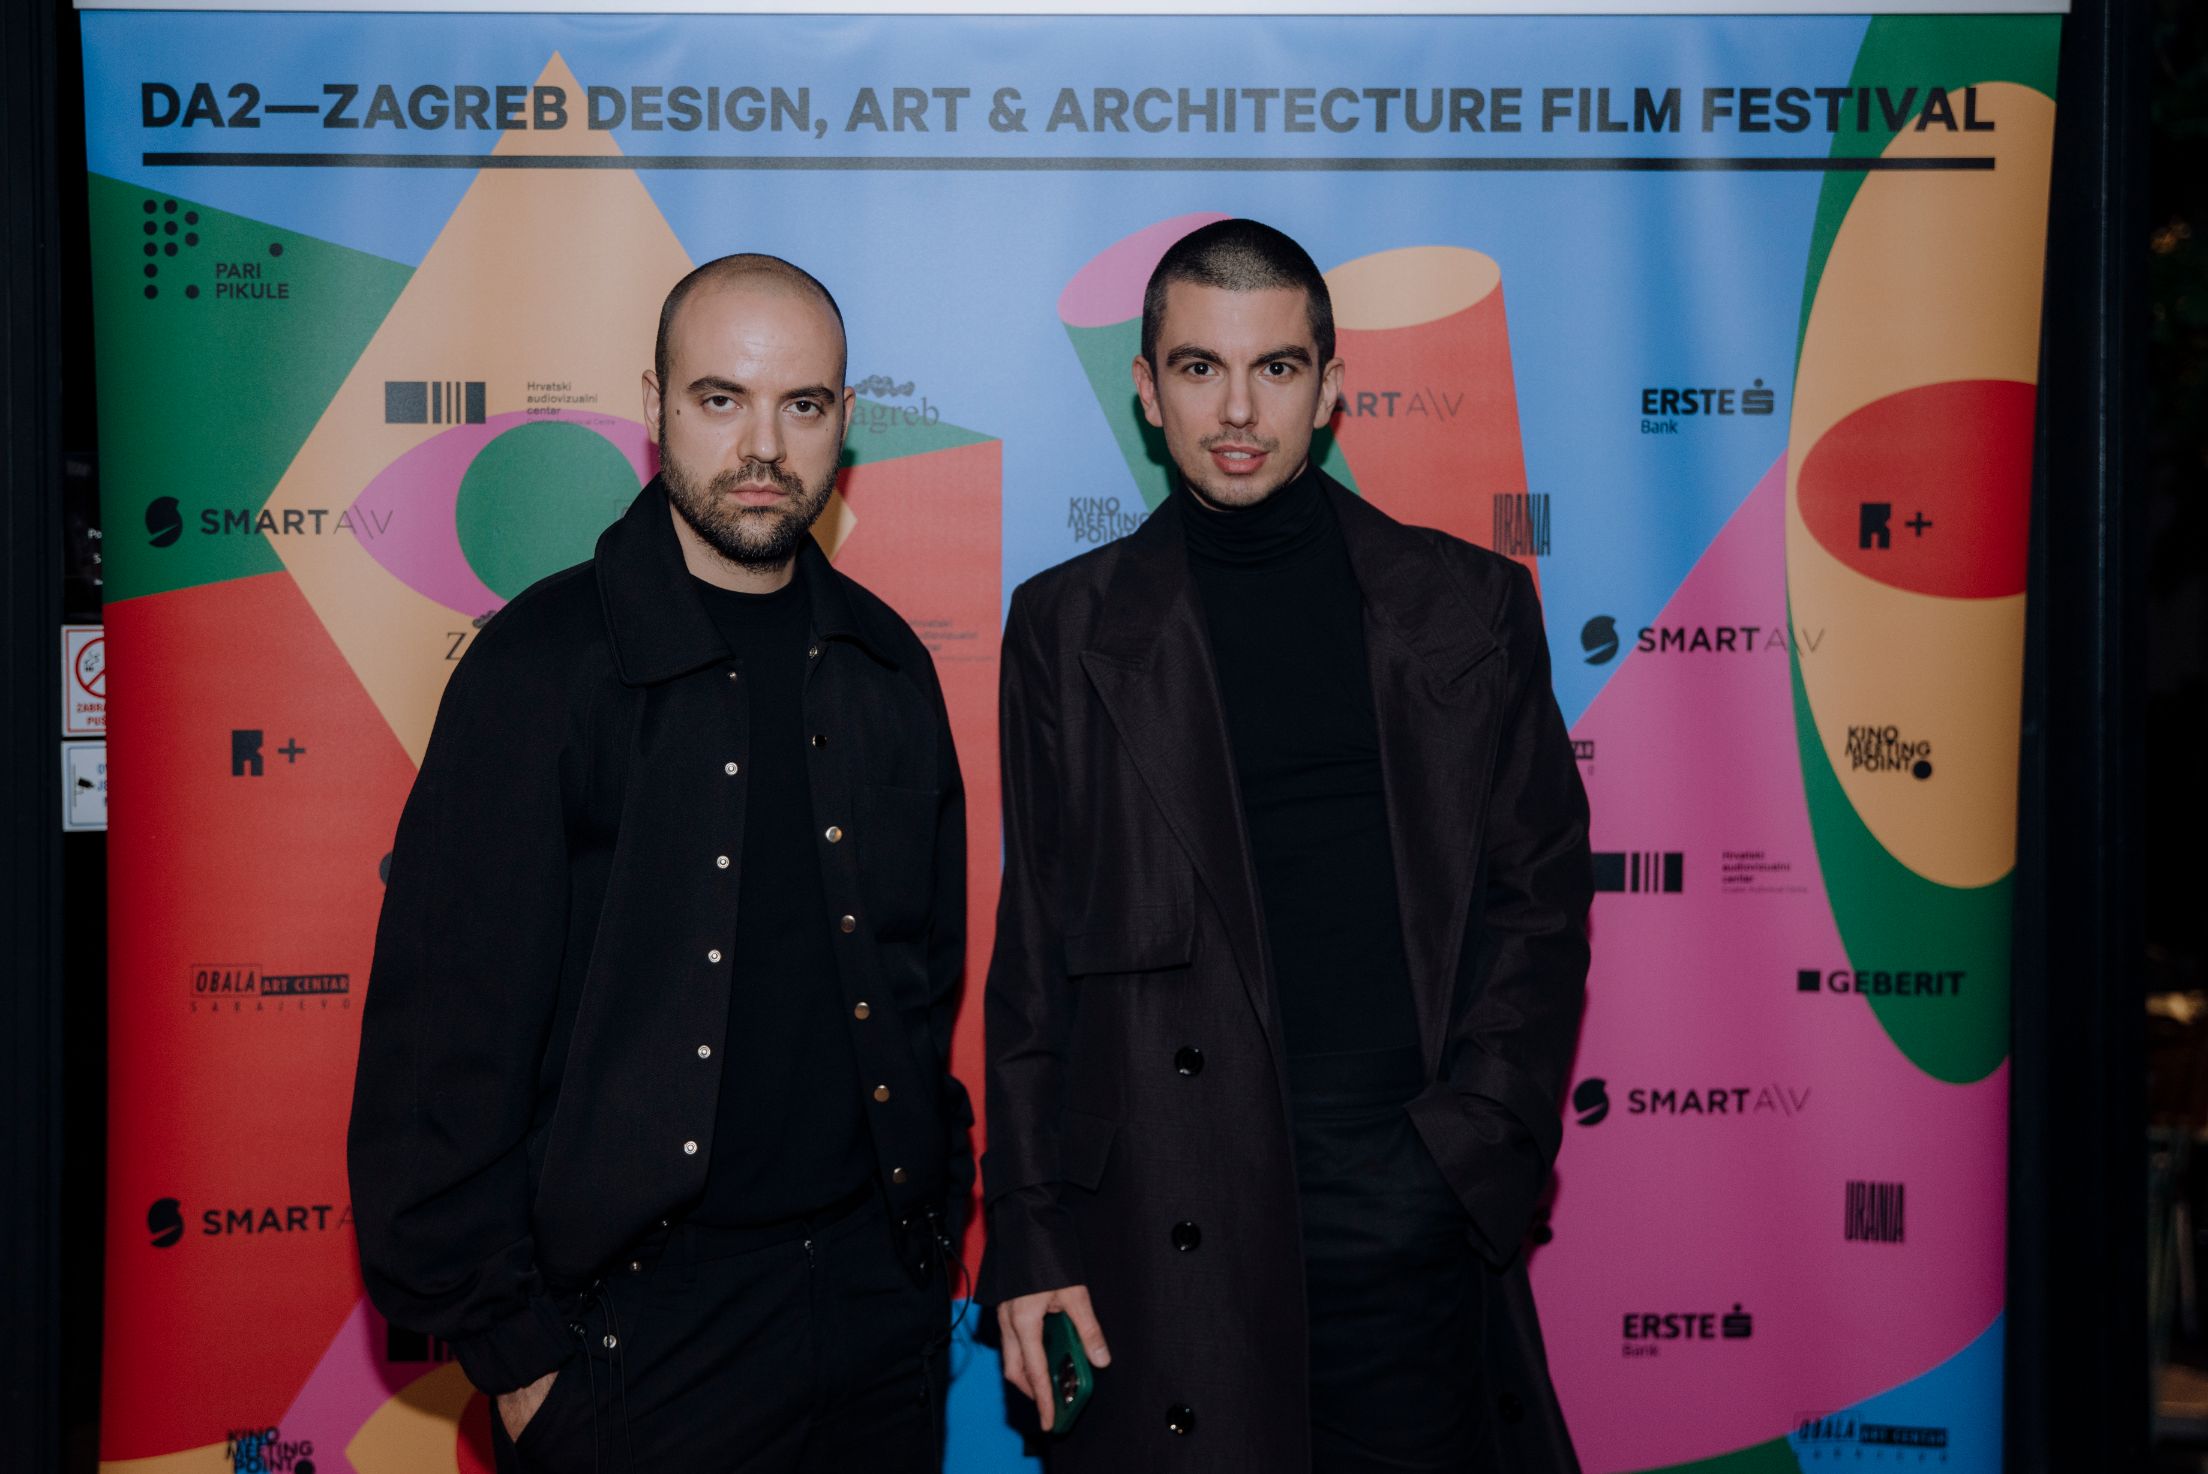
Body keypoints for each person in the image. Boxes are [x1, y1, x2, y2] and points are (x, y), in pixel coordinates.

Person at [981, 218, 1591, 1473]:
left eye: (1276, 367)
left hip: (1399, 1196)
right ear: (1146, 388)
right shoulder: (1063, 627)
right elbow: (1033, 957)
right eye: (1199, 367)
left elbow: (1539, 906)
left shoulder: (1469, 608)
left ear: (1330, 384)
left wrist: (1460, 1154)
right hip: (1159, 1207)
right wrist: (1032, 1234)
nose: (1237, 410)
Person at [349, 254, 971, 1474]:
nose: (763, 446)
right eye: (720, 398)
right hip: (633, 1344)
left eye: (801, 404)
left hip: (870, 1314)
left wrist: (923, 1242)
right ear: (654, 406)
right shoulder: (540, 668)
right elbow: (441, 1044)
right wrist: (518, 1354)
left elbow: (921, 984)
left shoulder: (887, 666)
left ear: (846, 419)